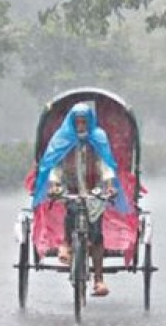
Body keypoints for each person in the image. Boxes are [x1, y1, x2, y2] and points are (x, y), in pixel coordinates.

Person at [31, 103, 128, 297]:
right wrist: (54, 184)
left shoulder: (98, 138)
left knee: (97, 233)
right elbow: (56, 165)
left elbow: (105, 164)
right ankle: (66, 244)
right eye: (78, 122)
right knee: (71, 213)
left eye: (84, 122)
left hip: (95, 190)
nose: (81, 126)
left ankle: (99, 279)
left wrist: (109, 185)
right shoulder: (63, 138)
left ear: (90, 122)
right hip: (72, 188)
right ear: (72, 122)